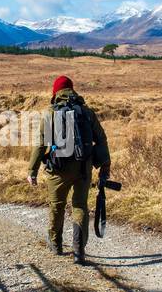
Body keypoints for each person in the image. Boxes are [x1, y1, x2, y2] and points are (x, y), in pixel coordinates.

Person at [27, 74, 111, 264]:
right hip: (83, 167)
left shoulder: (49, 113)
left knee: (56, 205)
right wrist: (104, 165)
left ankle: (56, 244)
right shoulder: (86, 112)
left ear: (55, 92)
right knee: (80, 205)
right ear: (72, 89)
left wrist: (32, 171)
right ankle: (79, 250)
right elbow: (101, 139)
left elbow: (41, 144)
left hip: (57, 169)